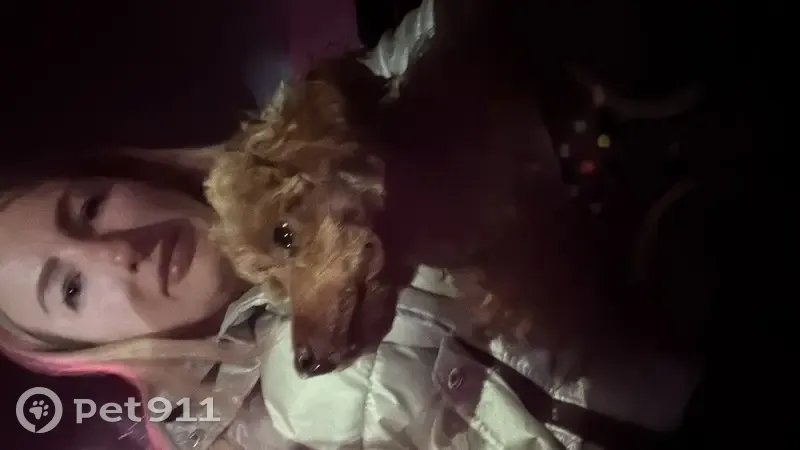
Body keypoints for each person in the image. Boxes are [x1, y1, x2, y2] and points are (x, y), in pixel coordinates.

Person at [2, 1, 704, 449]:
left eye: (89, 209)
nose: (117, 253)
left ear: (127, 175)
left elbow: (433, 39)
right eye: (70, 289)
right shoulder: (257, 436)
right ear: (88, 349)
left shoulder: (303, 138)